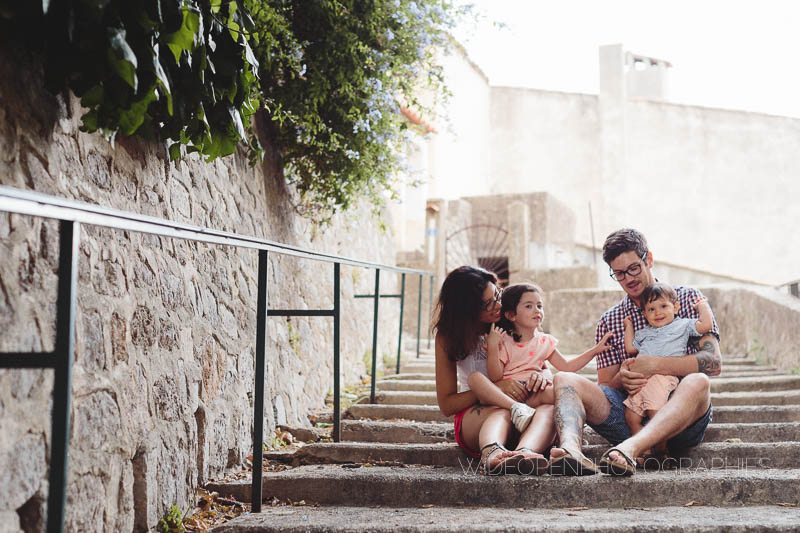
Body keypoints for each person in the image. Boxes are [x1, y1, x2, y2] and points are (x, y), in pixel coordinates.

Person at [549, 228, 721, 476]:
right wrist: (623, 377)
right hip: (632, 418)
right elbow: (605, 388)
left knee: (699, 381)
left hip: (682, 420)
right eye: (619, 273)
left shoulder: (685, 298)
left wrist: (654, 365)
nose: (628, 278)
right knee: (565, 378)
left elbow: (713, 362)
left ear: (648, 259)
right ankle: (570, 451)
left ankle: (631, 449)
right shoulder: (610, 320)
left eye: (633, 268)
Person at [433, 266, 555, 475]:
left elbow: (541, 358)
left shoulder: (511, 319)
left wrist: (542, 374)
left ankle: (524, 453)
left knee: (550, 409)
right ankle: (492, 453)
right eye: (487, 303)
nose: (497, 304)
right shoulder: (449, 337)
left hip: (525, 412)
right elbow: (447, 404)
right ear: (466, 308)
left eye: (497, 294)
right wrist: (495, 388)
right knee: (502, 411)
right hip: (479, 417)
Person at [466, 283, 613, 434]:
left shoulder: (545, 341)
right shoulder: (504, 340)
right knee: (475, 379)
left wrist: (595, 350)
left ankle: (573, 429)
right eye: (529, 306)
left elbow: (567, 367)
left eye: (539, 306)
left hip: (535, 393)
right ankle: (519, 411)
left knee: (565, 392)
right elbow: (495, 376)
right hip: (511, 395)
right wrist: (492, 348)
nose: (537, 310)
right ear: (511, 315)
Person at [622, 282, 713, 456]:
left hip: (662, 377)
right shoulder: (644, 332)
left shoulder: (683, 325)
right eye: (651, 309)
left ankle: (661, 452)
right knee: (631, 417)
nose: (658, 313)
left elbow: (705, 325)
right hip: (641, 381)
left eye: (663, 306)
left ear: (676, 307)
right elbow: (631, 348)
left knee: (655, 413)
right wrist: (628, 327)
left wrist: (702, 304)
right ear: (644, 314)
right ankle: (644, 452)